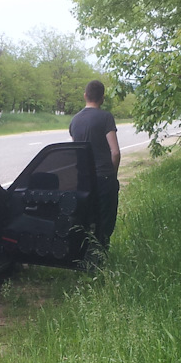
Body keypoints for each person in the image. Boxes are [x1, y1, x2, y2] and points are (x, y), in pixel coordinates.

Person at [69, 79, 121, 250]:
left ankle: (86, 255)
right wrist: (113, 175)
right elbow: (115, 152)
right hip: (103, 176)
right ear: (102, 98)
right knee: (105, 219)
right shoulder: (106, 117)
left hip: (83, 179)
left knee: (87, 217)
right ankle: (101, 254)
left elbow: (76, 152)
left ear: (85, 96)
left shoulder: (75, 121)